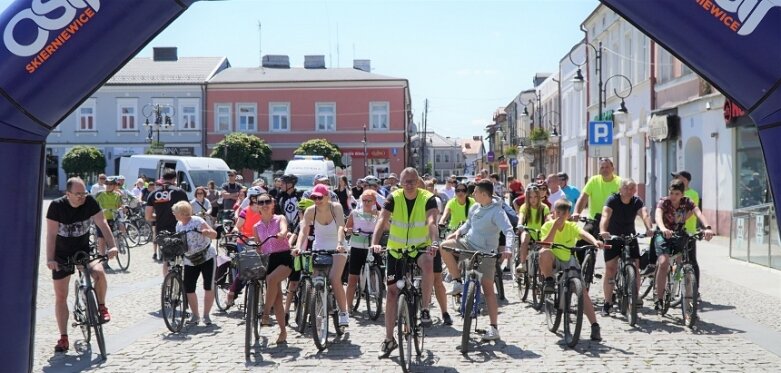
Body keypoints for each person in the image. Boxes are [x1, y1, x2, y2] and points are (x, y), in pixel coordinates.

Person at [372, 167, 439, 358]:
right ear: (400, 182)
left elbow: (432, 221)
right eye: (405, 181)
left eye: (412, 181)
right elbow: (381, 219)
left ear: (418, 181)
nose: (409, 184)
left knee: (427, 263)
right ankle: (389, 339)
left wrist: (435, 241)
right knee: (392, 293)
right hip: (396, 249)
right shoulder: (394, 197)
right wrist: (375, 244)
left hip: (419, 247)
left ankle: (425, 309)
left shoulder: (428, 197)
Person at [46, 177, 118, 353]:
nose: (81, 197)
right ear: (67, 193)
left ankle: (101, 306)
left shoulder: (90, 202)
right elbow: (51, 234)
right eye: (77, 194)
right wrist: (50, 259)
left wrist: (113, 245)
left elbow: (103, 224)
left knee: (99, 273)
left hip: (83, 250)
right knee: (61, 296)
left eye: (84, 193)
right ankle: (63, 338)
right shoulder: (56, 206)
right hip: (61, 254)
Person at [440, 179, 515, 341]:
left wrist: (508, 248)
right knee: (444, 246)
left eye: (475, 192)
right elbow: (468, 224)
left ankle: (494, 328)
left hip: (487, 251)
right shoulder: (475, 207)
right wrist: (458, 232)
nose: (472, 194)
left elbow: (509, 230)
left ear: (483, 194)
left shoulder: (497, 212)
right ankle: (457, 280)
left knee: (488, 290)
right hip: (468, 243)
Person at [538, 199, 604, 341]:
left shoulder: (571, 226)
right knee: (543, 252)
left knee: (583, 292)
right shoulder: (548, 225)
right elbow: (546, 243)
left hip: (569, 258)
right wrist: (554, 227)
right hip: (554, 259)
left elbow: (583, 234)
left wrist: (595, 242)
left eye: (563, 213)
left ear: (568, 214)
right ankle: (549, 281)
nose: (560, 216)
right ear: (554, 213)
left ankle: (595, 326)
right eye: (558, 212)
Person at [293, 184, 350, 327]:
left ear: (327, 196)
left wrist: (339, 243)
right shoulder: (310, 211)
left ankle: (344, 312)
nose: (317, 200)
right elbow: (303, 231)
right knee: (315, 280)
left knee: (334, 279)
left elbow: (341, 226)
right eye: (314, 197)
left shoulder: (335, 207)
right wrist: (298, 247)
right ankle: (319, 308)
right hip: (319, 247)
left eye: (320, 197)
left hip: (338, 246)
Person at [653, 179, 714, 312]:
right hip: (663, 234)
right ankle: (659, 297)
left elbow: (698, 213)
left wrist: (707, 227)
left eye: (677, 194)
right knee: (663, 263)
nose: (673, 197)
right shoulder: (664, 202)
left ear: (682, 194)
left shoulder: (687, 202)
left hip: (679, 234)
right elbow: (658, 216)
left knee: (681, 262)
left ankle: (678, 286)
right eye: (671, 193)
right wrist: (663, 228)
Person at [597, 179, 653, 315]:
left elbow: (644, 214)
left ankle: (635, 295)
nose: (630, 191)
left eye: (633, 189)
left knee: (636, 265)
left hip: (630, 236)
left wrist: (649, 228)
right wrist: (603, 231)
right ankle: (607, 302)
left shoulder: (636, 201)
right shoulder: (612, 200)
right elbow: (605, 216)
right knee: (610, 269)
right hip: (612, 237)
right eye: (627, 188)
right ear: (620, 189)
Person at [252, 193, 292, 344]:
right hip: (269, 260)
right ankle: (283, 331)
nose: (264, 204)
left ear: (272, 203)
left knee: (271, 279)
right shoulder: (256, 227)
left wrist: (281, 234)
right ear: (257, 206)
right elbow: (258, 247)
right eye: (261, 202)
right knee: (277, 299)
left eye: (267, 201)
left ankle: (266, 314)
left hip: (284, 257)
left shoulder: (279, 218)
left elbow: (284, 230)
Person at [171, 201, 218, 326]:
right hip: (190, 260)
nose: (173, 214)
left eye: (175, 212)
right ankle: (195, 316)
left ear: (182, 213)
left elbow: (214, 234)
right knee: (189, 288)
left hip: (206, 257)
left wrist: (207, 232)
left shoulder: (197, 221)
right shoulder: (179, 224)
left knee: (208, 286)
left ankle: (206, 315)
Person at [344, 189, 381, 313]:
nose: (366, 203)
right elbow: (347, 227)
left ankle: (378, 296)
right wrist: (349, 231)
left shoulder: (378, 214)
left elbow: (386, 226)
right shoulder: (355, 213)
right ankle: (347, 306)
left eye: (369, 200)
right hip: (357, 247)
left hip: (372, 247)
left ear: (374, 201)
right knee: (352, 278)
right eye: (364, 200)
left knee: (378, 272)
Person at [146, 169, 189, 265]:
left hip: (161, 230)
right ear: (174, 179)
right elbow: (188, 212)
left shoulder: (153, 194)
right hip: (178, 229)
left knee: (166, 259)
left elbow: (148, 217)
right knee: (183, 257)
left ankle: (168, 278)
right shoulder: (180, 192)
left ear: (162, 179)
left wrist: (160, 217)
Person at [284, 198, 315, 320]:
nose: (300, 214)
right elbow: (294, 236)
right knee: (293, 283)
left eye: (302, 212)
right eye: (300, 212)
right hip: (299, 256)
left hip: (313, 256)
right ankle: (286, 311)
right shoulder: (301, 224)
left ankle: (314, 308)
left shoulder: (318, 224)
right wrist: (289, 246)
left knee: (316, 283)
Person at [573, 158, 622, 236]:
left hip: (612, 221)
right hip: (594, 220)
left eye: (607, 167)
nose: (604, 169)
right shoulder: (593, 180)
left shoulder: (620, 182)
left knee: (616, 244)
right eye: (602, 167)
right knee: (582, 239)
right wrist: (576, 212)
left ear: (613, 168)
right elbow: (583, 197)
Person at [671, 170, 703, 284]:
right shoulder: (674, 192)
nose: (675, 179)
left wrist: (680, 220)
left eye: (677, 177)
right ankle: (676, 283)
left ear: (685, 180)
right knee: (676, 258)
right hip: (675, 231)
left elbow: (692, 211)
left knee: (691, 260)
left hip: (689, 231)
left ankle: (696, 289)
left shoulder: (693, 193)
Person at [515, 185, 551, 274]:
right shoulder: (524, 207)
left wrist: (551, 222)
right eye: (530, 197)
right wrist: (520, 224)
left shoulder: (544, 207)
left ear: (539, 197)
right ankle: (522, 264)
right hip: (528, 231)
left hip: (541, 233)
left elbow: (548, 218)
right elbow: (521, 217)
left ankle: (544, 271)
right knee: (524, 239)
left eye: (535, 197)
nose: (533, 199)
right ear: (527, 198)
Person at [94, 177, 123, 269]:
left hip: (112, 218)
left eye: (110, 184)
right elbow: (94, 204)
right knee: (102, 239)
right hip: (101, 219)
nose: (108, 186)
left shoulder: (117, 195)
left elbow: (119, 205)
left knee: (115, 234)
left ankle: (119, 245)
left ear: (114, 186)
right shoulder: (100, 194)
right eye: (107, 184)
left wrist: (122, 208)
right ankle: (103, 260)